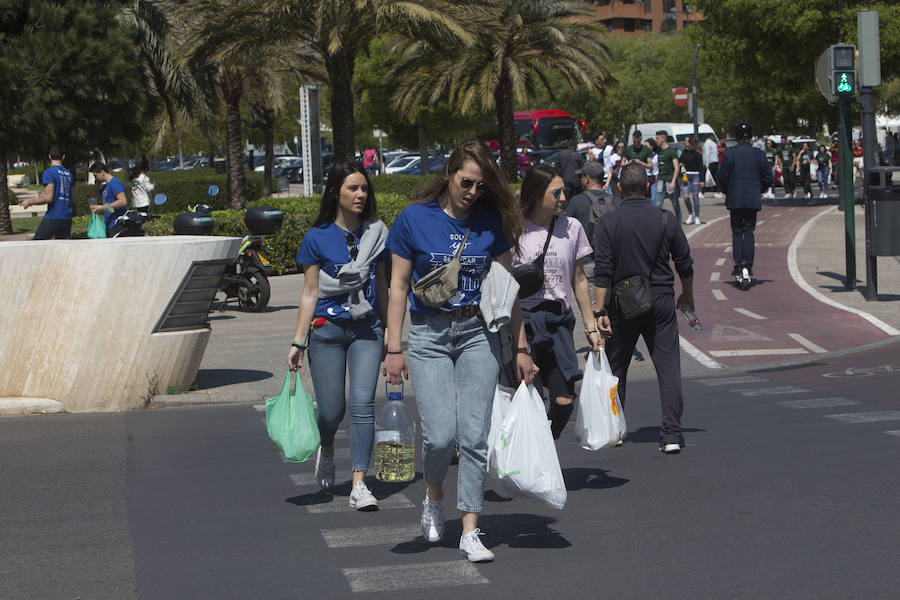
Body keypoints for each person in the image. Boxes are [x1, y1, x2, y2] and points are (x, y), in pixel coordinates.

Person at [383, 139, 536, 563]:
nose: (472, 192)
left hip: (477, 333)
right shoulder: (414, 219)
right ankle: (433, 496)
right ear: (450, 174)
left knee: (473, 436)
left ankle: (470, 527)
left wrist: (521, 347)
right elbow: (397, 286)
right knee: (440, 437)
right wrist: (393, 347)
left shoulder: (491, 222)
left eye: (480, 186)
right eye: (466, 182)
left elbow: (508, 291)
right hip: (429, 336)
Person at [288, 162, 389, 511]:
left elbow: (385, 284)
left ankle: (360, 482)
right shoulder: (317, 237)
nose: (361, 194)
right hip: (326, 331)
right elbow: (310, 293)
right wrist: (298, 341)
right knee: (331, 411)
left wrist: (392, 333)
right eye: (352, 188)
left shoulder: (377, 234)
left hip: (367, 329)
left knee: (362, 404)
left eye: (364, 188)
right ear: (335, 192)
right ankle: (327, 447)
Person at [592, 162, 695, 454]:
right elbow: (685, 263)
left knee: (617, 368)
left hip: (622, 303)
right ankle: (672, 434)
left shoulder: (609, 223)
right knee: (668, 368)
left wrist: (600, 312)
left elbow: (603, 271)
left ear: (619, 188)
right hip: (661, 299)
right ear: (649, 186)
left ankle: (615, 429)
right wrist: (687, 297)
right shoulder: (666, 219)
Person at [514, 165, 602, 439]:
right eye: (556, 192)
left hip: (557, 326)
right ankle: (531, 461)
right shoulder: (514, 229)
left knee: (564, 401)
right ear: (537, 194)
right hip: (523, 326)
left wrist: (591, 325)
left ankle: (544, 446)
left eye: (564, 190)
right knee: (530, 400)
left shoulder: (572, 227)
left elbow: (579, 278)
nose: (563, 197)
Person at [716, 121, 773, 290]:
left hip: (735, 199)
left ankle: (739, 265)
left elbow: (722, 178)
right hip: (752, 198)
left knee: (737, 233)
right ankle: (748, 265)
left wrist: (728, 191)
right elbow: (768, 178)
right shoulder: (759, 154)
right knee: (749, 232)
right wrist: (759, 190)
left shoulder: (730, 154)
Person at [21, 145, 74, 240]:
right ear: (63, 156)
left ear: (49, 156)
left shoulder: (49, 173)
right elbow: (72, 197)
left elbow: (49, 198)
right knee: (63, 248)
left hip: (54, 215)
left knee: (38, 243)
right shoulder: (69, 175)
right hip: (67, 217)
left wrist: (29, 202)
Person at [567, 161, 611, 245]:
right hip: (609, 254)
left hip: (584, 255)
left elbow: (566, 228)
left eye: (581, 176)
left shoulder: (576, 201)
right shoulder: (614, 201)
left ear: (587, 178)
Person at [88, 162, 128, 236]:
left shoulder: (115, 183)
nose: (95, 178)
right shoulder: (106, 187)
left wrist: (103, 207)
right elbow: (110, 208)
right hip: (109, 224)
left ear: (102, 172)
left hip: (117, 225)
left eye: (95, 175)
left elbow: (122, 201)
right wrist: (97, 185)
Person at [655, 130, 681, 223]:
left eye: (658, 138)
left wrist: (673, 181)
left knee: (675, 204)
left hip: (670, 181)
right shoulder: (659, 151)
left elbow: (676, 167)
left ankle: (678, 224)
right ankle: (658, 224)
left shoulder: (671, 151)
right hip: (661, 181)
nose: (656, 140)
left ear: (663, 139)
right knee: (658, 204)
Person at [680, 136, 703, 224]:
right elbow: (680, 160)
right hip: (686, 175)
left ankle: (697, 216)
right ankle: (690, 213)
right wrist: (681, 164)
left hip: (695, 175)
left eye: (686, 141)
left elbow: (701, 167)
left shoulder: (697, 154)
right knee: (685, 196)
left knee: (695, 196)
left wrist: (701, 180)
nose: (684, 143)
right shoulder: (684, 152)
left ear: (690, 143)